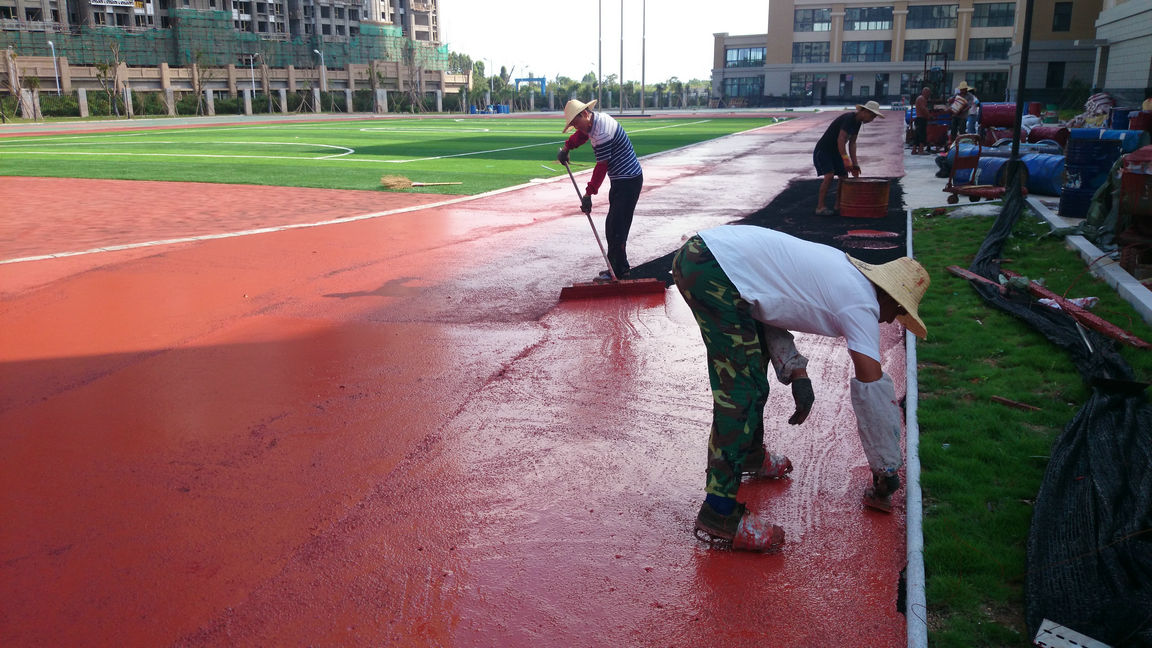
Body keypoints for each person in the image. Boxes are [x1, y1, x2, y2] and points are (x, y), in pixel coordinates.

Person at [671, 225, 930, 552]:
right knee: (740, 391)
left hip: (711, 259)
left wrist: (797, 372)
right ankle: (718, 512)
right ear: (890, 297)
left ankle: (749, 455)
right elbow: (873, 393)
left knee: (752, 374)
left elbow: (766, 302)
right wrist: (886, 468)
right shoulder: (861, 304)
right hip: (711, 268)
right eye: (900, 311)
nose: (894, 321)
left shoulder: (846, 275)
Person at [557, 99, 644, 281]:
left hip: (628, 181)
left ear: (585, 114)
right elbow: (581, 136)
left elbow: (601, 167)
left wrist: (588, 194)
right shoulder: (592, 124)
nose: (576, 128)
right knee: (613, 225)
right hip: (621, 180)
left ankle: (619, 272)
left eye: (575, 123)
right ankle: (619, 268)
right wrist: (567, 147)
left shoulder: (602, 132)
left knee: (616, 227)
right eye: (572, 125)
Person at [813, 100, 885, 216]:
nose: (871, 120)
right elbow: (841, 140)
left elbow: (852, 143)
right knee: (829, 175)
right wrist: (846, 159)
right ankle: (820, 207)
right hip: (824, 150)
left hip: (836, 152)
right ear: (865, 111)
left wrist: (855, 164)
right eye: (871, 117)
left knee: (844, 177)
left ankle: (839, 205)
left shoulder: (857, 123)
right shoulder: (849, 119)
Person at [947, 81, 973, 146]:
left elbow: (969, 106)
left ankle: (962, 144)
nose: (962, 91)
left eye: (963, 89)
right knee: (953, 130)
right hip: (955, 115)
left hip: (963, 116)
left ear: (966, 89)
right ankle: (952, 144)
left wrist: (962, 110)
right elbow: (950, 101)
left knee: (962, 130)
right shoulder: (957, 95)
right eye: (961, 89)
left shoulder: (970, 96)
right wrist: (950, 102)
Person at [911, 87, 931, 155]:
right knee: (922, 135)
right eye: (928, 93)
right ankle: (921, 150)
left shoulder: (919, 98)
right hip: (921, 119)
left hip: (918, 119)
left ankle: (914, 150)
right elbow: (923, 108)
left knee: (917, 135)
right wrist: (929, 116)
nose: (929, 95)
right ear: (925, 92)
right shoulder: (922, 99)